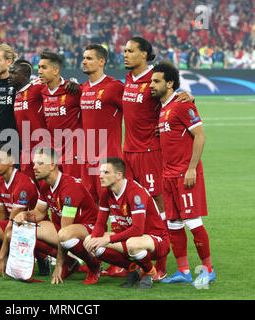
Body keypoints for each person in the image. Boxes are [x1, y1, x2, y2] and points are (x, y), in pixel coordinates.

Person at [121, 36, 193, 280]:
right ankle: (137, 259)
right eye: (124, 50)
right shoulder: (129, 79)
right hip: (128, 152)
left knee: (160, 206)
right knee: (132, 206)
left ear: (144, 54)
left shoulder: (155, 78)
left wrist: (188, 96)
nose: (125, 54)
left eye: (130, 51)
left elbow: (174, 98)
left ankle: (161, 264)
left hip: (151, 153)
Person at [150, 61, 215, 287]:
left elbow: (200, 135)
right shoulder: (164, 108)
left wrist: (191, 168)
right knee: (174, 224)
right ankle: (184, 271)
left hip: (184, 175)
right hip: (167, 176)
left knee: (193, 222)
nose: (151, 85)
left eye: (156, 81)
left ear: (170, 83)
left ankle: (208, 270)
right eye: (151, 81)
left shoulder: (181, 104)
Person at [14, 147, 102, 285]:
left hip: (89, 230)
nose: (34, 167)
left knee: (65, 236)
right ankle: (71, 263)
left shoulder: (69, 188)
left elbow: (65, 229)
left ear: (52, 165)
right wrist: (24, 214)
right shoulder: (45, 185)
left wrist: (59, 265)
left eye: (40, 163)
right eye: (34, 163)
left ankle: (94, 265)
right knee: (27, 229)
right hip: (65, 229)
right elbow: (39, 212)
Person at [84, 157, 170, 290]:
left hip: (156, 240)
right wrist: (95, 239)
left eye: (105, 172)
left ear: (119, 175)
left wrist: (107, 239)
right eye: (100, 172)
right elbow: (100, 223)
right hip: (128, 238)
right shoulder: (106, 193)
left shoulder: (135, 192)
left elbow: (137, 230)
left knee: (132, 244)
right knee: (89, 240)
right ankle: (132, 267)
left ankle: (148, 271)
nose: (100, 176)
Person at [79, 43, 126, 277]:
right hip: (87, 161)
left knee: (115, 211)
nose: (84, 61)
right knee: (93, 210)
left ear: (102, 61)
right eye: (83, 58)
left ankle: (121, 260)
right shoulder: (83, 88)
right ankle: (94, 255)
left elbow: (139, 110)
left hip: (109, 161)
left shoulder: (114, 88)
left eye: (89, 58)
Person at [0, 146, 51, 278]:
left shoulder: (22, 184)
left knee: (10, 232)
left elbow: (12, 223)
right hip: (18, 223)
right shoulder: (0, 181)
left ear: (11, 161)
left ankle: (43, 257)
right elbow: (1, 215)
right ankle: (11, 253)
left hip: (34, 225)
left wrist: (1, 257)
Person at [38, 51, 86, 182]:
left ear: (55, 70)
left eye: (44, 67)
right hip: (54, 155)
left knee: (76, 193)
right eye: (39, 68)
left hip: (74, 154)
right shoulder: (41, 92)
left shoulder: (72, 90)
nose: (40, 71)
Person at [9, 59, 48, 183]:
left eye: (13, 73)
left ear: (25, 76)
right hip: (25, 150)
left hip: (41, 149)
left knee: (44, 187)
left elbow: (56, 86)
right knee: (28, 186)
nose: (9, 76)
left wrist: (72, 83)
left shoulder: (37, 89)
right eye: (9, 72)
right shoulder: (15, 94)